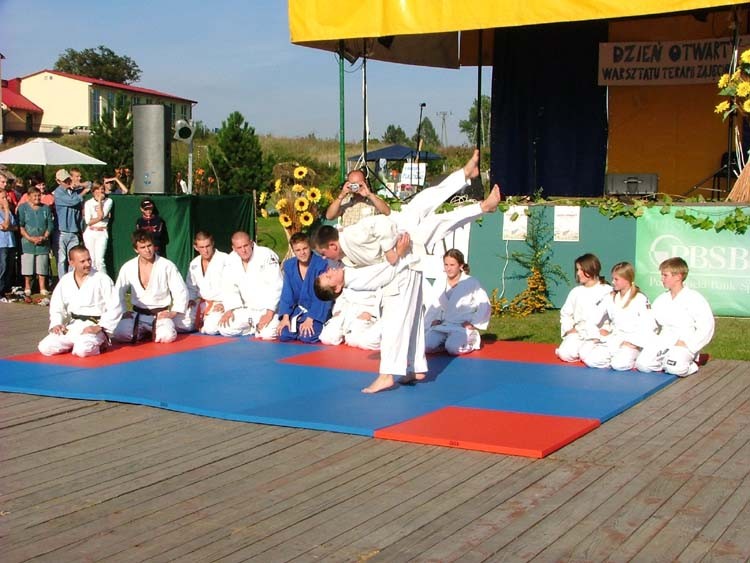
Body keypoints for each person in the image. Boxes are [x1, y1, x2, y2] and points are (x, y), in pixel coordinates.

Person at [315, 149, 501, 393]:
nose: (326, 266)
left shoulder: (349, 246)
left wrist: (393, 253)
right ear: (337, 287)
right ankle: (411, 367)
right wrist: (396, 255)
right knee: (405, 321)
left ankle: (394, 373)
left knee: (426, 206)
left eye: (325, 267)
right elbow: (384, 269)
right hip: (403, 261)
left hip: (399, 238)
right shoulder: (351, 274)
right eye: (328, 276)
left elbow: (380, 226)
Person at [635, 257, 715, 377]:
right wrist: (647, 340)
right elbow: (650, 323)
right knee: (642, 365)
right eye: (662, 275)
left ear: (678, 276)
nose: (662, 279)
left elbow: (706, 326)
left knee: (675, 368)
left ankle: (692, 364)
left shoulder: (694, 298)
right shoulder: (662, 299)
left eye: (665, 275)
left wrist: (690, 344)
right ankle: (667, 361)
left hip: (684, 342)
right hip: (665, 340)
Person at [37, 245, 122, 357]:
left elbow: (115, 306)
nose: (88, 264)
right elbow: (56, 306)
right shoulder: (66, 280)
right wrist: (56, 324)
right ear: (72, 263)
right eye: (83, 261)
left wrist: (101, 327)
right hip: (73, 326)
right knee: (45, 347)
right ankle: (75, 343)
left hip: (94, 326)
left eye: (89, 259)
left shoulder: (102, 279)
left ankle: (100, 343)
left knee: (82, 350)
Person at [112, 230, 189, 344]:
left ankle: (152, 331)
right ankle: (146, 332)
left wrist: (173, 312)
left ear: (154, 246)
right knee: (119, 333)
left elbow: (180, 290)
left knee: (166, 336)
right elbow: (118, 291)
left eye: (149, 245)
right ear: (136, 249)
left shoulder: (166, 265)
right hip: (137, 314)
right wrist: (123, 311)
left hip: (160, 315)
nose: (147, 250)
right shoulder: (128, 267)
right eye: (143, 247)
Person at [580, 262, 656, 371]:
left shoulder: (640, 298)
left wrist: (635, 343)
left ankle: (634, 357)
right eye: (612, 279)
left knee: (618, 365)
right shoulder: (610, 297)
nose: (612, 282)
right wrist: (596, 335)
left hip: (632, 341)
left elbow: (649, 324)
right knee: (591, 360)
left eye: (616, 279)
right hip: (615, 338)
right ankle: (613, 359)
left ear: (627, 279)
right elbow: (592, 318)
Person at [424, 249, 491, 356]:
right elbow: (434, 304)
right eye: (446, 265)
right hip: (444, 325)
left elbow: (485, 304)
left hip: (462, 327)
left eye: (452, 265)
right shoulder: (440, 281)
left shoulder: (471, 282)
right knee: (425, 346)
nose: (448, 268)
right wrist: (435, 319)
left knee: (453, 349)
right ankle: (445, 344)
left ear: (460, 266)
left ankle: (472, 339)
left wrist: (473, 323)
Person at [218, 231, 282, 339]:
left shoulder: (266, 254)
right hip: (247, 310)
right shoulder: (231, 259)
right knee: (224, 328)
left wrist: (269, 313)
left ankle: (259, 327)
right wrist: (230, 309)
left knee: (267, 334)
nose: (243, 250)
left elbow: (277, 285)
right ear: (234, 248)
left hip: (268, 309)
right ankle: (254, 328)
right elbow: (229, 286)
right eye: (239, 247)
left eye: (246, 245)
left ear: (251, 243)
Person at [555, 253, 612, 363]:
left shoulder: (607, 290)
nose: (578, 273)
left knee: (588, 356)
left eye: (581, 270)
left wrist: (608, 330)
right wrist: (569, 330)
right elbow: (566, 314)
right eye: (577, 270)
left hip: (599, 333)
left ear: (592, 269)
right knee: (564, 354)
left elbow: (617, 315)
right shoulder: (576, 292)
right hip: (579, 332)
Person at [276, 232, 332, 343]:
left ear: (310, 247)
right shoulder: (289, 265)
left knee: (307, 336)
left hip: (317, 312)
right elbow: (287, 293)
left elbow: (324, 294)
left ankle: (321, 326)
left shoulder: (321, 264)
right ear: (293, 251)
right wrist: (285, 317)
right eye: (298, 250)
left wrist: (311, 318)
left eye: (305, 248)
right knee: (284, 334)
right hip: (299, 311)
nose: (302, 253)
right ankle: (298, 328)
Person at [174, 231, 231, 334]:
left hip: (220, 304)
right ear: (196, 247)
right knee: (178, 323)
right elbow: (191, 287)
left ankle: (206, 323)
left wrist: (226, 304)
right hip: (201, 303)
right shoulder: (194, 263)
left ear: (212, 243)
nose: (205, 250)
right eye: (202, 247)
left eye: (208, 246)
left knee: (210, 329)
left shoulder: (225, 259)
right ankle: (202, 321)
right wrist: (190, 299)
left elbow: (233, 285)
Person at [17, 186, 55, 299]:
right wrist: (29, 238)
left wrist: (44, 236)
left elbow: (50, 225)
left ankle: (42, 287)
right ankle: (27, 286)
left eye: (39, 196)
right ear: (28, 197)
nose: (37, 198)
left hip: (43, 241)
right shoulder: (22, 208)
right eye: (35, 196)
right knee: (28, 265)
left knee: (42, 264)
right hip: (27, 241)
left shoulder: (45, 208)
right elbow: (21, 226)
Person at [318, 285, 383, 350]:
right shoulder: (346, 279)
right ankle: (347, 333)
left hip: (368, 311)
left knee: (355, 340)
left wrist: (373, 315)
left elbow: (383, 297)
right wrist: (337, 311)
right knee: (326, 338)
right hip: (346, 310)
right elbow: (341, 295)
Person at [325, 169, 391, 228]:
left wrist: (369, 195)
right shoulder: (345, 201)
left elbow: (387, 212)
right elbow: (329, 216)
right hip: (349, 236)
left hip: (367, 236)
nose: (356, 187)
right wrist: (341, 196)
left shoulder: (373, 200)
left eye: (359, 184)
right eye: (353, 184)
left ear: (365, 183)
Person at [53, 168, 88, 275]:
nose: (67, 182)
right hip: (61, 231)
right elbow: (72, 201)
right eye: (64, 181)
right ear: (58, 181)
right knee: (62, 259)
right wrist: (83, 192)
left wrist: (79, 185)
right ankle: (62, 280)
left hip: (74, 231)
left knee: (73, 259)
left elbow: (90, 184)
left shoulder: (74, 190)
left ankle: (72, 279)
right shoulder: (58, 193)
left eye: (68, 179)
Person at [82, 182, 113, 274]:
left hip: (102, 232)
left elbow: (101, 215)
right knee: (91, 260)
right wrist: (98, 218)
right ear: (93, 191)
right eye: (97, 189)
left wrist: (99, 201)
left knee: (100, 260)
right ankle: (92, 279)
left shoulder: (108, 201)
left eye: (102, 189)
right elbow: (88, 221)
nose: (100, 191)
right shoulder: (88, 203)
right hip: (90, 232)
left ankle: (104, 281)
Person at [0, 186, 18, 301]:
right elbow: (5, 225)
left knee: (9, 268)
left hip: (11, 243)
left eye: (6, 197)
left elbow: (15, 227)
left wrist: (9, 227)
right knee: (2, 267)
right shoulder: (6, 212)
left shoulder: (10, 212)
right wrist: (6, 210)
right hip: (1, 244)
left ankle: (6, 289)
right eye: (3, 198)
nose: (6, 200)